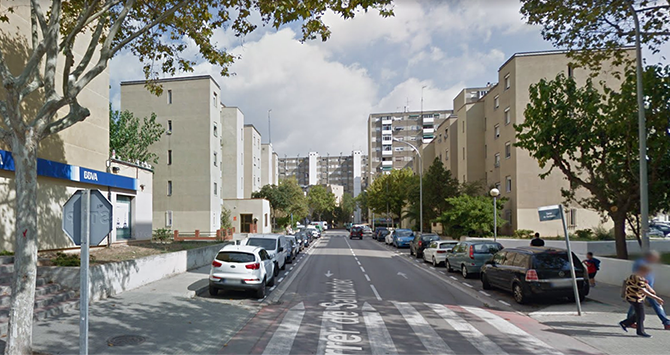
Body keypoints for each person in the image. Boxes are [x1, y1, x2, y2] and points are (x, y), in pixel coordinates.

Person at [627, 250, 670, 330]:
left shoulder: (645, 262)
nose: (656, 260)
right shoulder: (640, 263)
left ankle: (629, 321)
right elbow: (639, 277)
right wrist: (649, 288)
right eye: (655, 258)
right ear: (650, 257)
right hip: (643, 289)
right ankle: (666, 323)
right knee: (656, 304)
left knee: (634, 305)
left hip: (644, 289)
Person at [619, 263, 664, 337]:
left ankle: (624, 323)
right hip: (634, 298)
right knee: (641, 316)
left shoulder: (639, 276)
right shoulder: (637, 277)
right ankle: (640, 332)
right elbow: (643, 290)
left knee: (638, 314)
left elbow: (645, 284)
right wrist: (657, 298)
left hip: (637, 298)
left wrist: (650, 289)